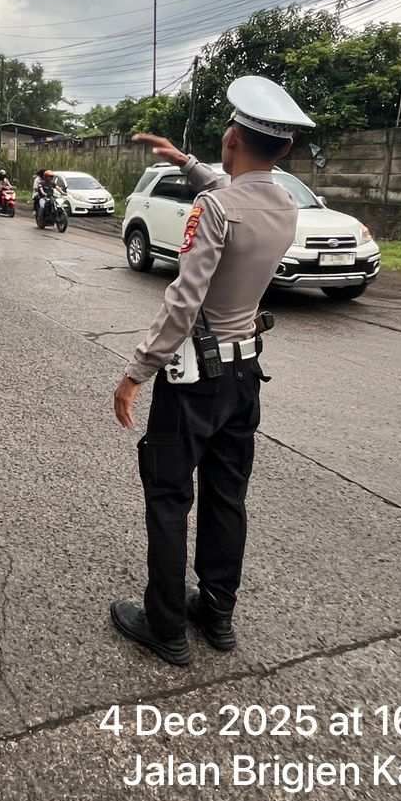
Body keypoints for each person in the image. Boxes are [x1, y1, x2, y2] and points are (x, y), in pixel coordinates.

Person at [109, 76, 314, 667]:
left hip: (195, 378)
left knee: (169, 495)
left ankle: (165, 626)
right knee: (227, 496)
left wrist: (136, 371)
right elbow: (239, 192)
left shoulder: (215, 208)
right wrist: (186, 162)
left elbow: (184, 301)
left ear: (232, 139)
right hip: (245, 375)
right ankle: (217, 614)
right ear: (285, 149)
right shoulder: (286, 204)